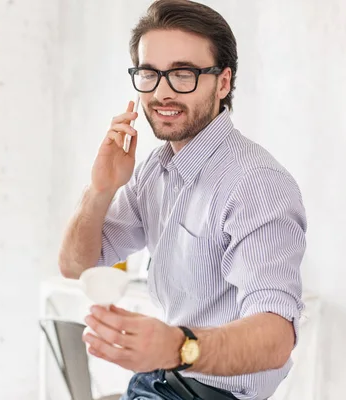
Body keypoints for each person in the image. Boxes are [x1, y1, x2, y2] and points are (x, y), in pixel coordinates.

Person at [57, 1, 307, 399]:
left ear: (223, 83)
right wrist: (100, 188)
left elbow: (277, 338)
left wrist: (176, 346)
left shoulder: (255, 183)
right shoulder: (155, 171)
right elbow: (76, 266)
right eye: (149, 74)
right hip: (160, 382)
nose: (162, 92)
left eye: (183, 74)